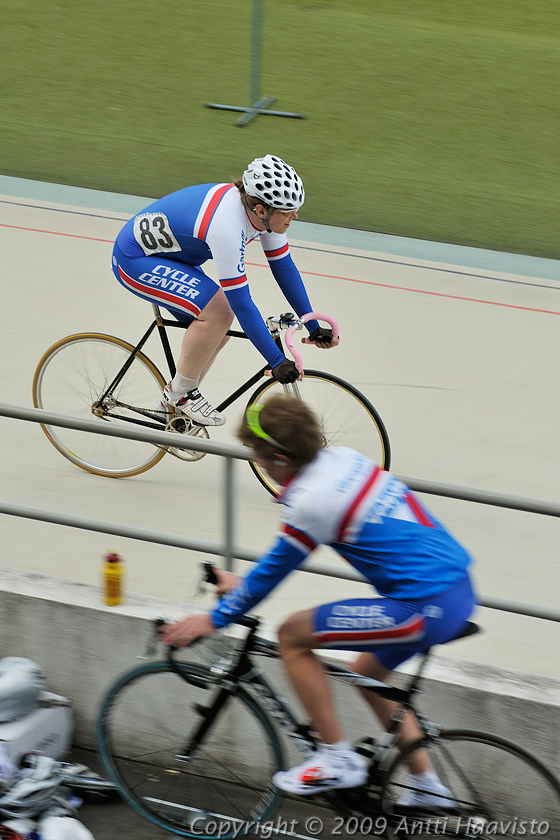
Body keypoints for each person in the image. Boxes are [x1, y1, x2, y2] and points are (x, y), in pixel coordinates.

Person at [159, 396, 476, 802]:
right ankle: (428, 788)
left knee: (292, 635)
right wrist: (245, 585)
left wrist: (212, 619)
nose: (259, 465)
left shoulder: (309, 501)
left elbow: (275, 571)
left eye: (257, 457)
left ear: (278, 457)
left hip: (423, 606)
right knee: (369, 674)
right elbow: (274, 567)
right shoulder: (343, 459)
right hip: (457, 588)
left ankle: (335, 758)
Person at [111, 155, 338, 426]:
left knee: (218, 333)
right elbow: (241, 303)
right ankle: (182, 395)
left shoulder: (263, 214)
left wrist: (311, 322)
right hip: (135, 259)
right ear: (261, 210)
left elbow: (284, 269)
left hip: (173, 257)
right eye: (288, 211)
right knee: (219, 313)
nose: (295, 216)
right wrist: (276, 360)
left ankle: (170, 405)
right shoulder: (227, 228)